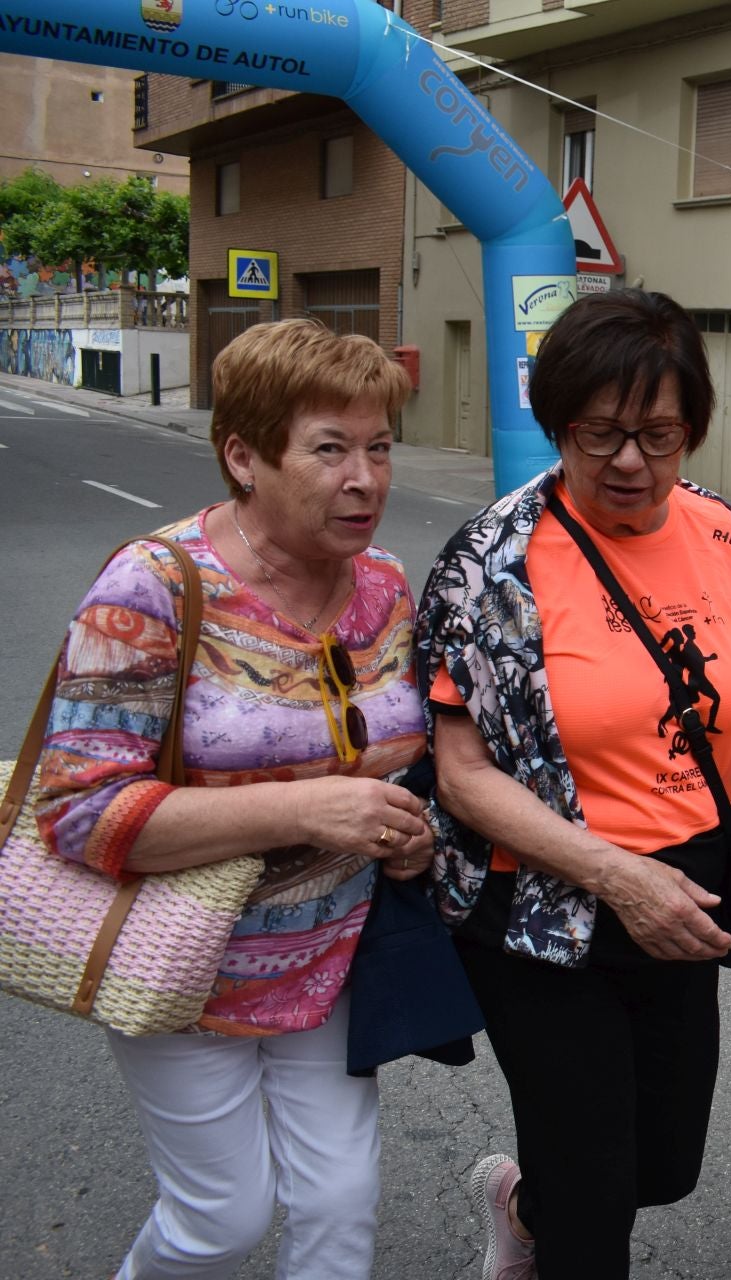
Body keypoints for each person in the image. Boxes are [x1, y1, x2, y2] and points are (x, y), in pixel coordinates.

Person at [417, 289, 731, 1280]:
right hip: (543, 907)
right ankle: (560, 1221)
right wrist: (616, 875)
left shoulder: (718, 529)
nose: (630, 462)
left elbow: (723, 685)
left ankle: (524, 1205)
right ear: (555, 422)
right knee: (596, 1202)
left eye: (659, 435)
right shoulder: (492, 563)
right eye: (599, 433)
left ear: (691, 427)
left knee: (662, 1162)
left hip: (687, 892)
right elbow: (461, 773)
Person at [34, 318, 430, 1278]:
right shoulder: (155, 585)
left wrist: (405, 832)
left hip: (333, 956)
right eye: (329, 450)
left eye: (379, 447)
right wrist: (307, 810)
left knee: (340, 1204)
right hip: (183, 962)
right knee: (220, 1218)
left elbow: (398, 756)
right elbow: (79, 810)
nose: (365, 479)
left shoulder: (384, 586)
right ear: (244, 457)